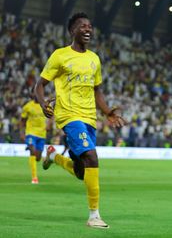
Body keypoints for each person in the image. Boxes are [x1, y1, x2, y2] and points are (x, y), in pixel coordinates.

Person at [35, 12, 125, 229]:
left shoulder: (94, 59)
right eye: (83, 26)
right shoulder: (60, 55)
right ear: (72, 30)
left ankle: (54, 156)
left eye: (90, 26)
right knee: (92, 158)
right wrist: (42, 103)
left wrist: (107, 112)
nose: (88, 29)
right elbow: (39, 85)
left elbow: (97, 91)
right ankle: (94, 216)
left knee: (81, 171)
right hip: (69, 115)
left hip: (89, 118)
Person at [20, 90, 51, 184]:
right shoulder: (27, 106)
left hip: (42, 134)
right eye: (35, 92)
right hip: (30, 132)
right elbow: (22, 120)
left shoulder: (45, 105)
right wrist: (22, 133)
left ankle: (43, 157)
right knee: (32, 152)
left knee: (37, 158)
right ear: (32, 95)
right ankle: (34, 177)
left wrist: (49, 124)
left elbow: (51, 116)